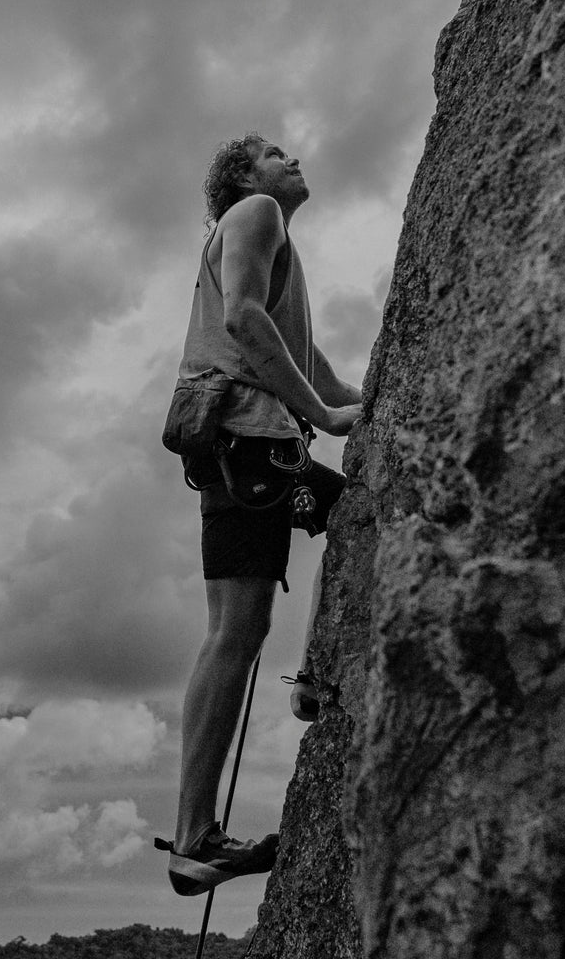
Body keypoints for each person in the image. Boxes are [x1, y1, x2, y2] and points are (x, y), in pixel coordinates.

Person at [161, 134, 363, 896]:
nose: (294, 157)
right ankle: (193, 839)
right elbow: (245, 321)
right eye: (277, 152)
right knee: (235, 630)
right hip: (248, 441)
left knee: (353, 519)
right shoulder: (256, 213)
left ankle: (313, 678)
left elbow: (314, 368)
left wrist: (367, 400)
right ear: (245, 177)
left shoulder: (274, 243)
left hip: (247, 445)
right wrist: (322, 416)